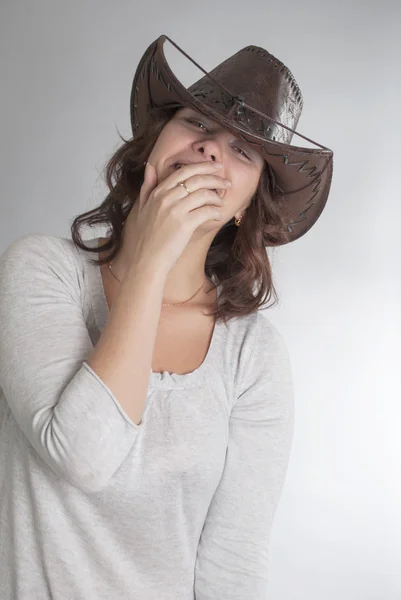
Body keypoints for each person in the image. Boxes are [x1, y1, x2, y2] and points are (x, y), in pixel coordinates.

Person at [0, 35, 333, 599]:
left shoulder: (252, 356)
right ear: (156, 142)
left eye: (242, 151)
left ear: (248, 202)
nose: (210, 151)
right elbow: (80, 455)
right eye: (196, 124)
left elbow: (232, 563)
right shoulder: (43, 270)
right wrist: (153, 258)